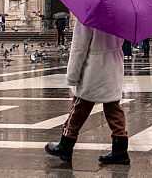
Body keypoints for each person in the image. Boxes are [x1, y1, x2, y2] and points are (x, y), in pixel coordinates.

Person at [45, 20, 130, 166]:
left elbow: (79, 48)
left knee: (79, 107)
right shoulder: (120, 16)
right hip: (114, 65)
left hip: (94, 67)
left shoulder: (88, 17)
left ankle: (65, 145)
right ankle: (120, 150)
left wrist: (72, 76)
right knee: (113, 108)